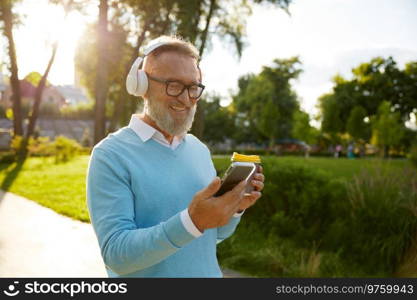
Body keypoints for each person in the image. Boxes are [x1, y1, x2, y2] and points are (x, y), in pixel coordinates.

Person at [86, 36, 265, 278]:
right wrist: (191, 221)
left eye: (193, 87)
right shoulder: (110, 155)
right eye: (173, 85)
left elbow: (213, 235)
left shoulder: (199, 150)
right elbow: (117, 255)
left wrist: (233, 208)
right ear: (141, 85)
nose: (185, 98)